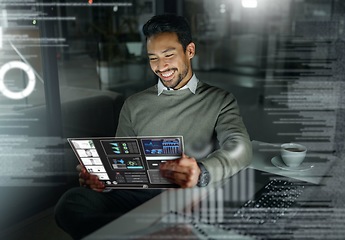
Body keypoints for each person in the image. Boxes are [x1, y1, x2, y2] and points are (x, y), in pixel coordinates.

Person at [55, 14, 252, 239]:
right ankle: (150, 233)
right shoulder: (134, 104)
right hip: (136, 194)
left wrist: (201, 171)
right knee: (71, 203)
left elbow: (241, 147)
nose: (161, 66)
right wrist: (102, 179)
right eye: (153, 58)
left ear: (189, 51)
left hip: (186, 196)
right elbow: (120, 165)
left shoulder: (220, 100)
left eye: (169, 55)